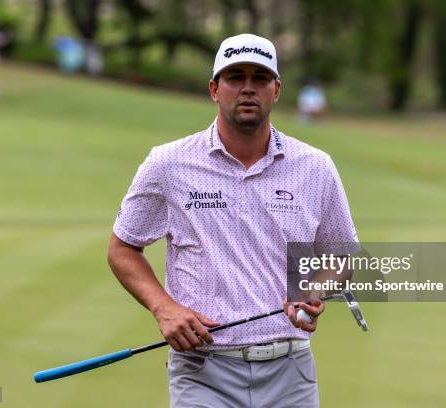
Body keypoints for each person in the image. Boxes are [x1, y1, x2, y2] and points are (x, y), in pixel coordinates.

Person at [108, 33, 358, 407]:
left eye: (259, 79)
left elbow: (341, 256)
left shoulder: (315, 167)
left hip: (290, 371)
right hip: (202, 369)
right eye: (234, 77)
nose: (247, 88)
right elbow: (123, 248)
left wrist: (312, 289)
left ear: (277, 90)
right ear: (214, 88)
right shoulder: (168, 164)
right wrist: (165, 308)